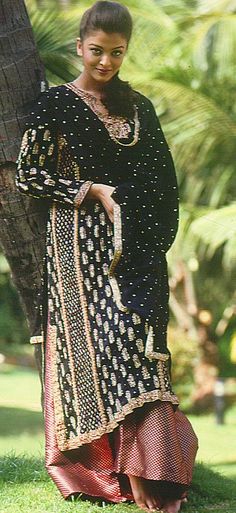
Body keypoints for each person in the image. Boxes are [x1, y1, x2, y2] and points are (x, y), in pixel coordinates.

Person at [16, 1, 198, 512]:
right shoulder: (56, 105)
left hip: (134, 250)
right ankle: (102, 472)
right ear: (79, 47)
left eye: (116, 53)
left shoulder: (138, 106)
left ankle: (154, 472)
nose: (105, 62)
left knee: (138, 353)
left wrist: (146, 234)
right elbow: (29, 175)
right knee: (95, 355)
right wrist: (88, 189)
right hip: (78, 253)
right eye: (96, 51)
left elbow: (163, 183)